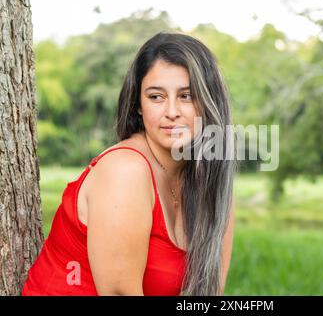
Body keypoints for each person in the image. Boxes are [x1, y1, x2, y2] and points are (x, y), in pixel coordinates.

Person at [22, 32, 236, 296]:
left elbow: (210, 293)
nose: (171, 111)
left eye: (186, 96)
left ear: (208, 103)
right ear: (138, 105)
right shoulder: (125, 171)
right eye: (156, 97)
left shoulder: (213, 182)